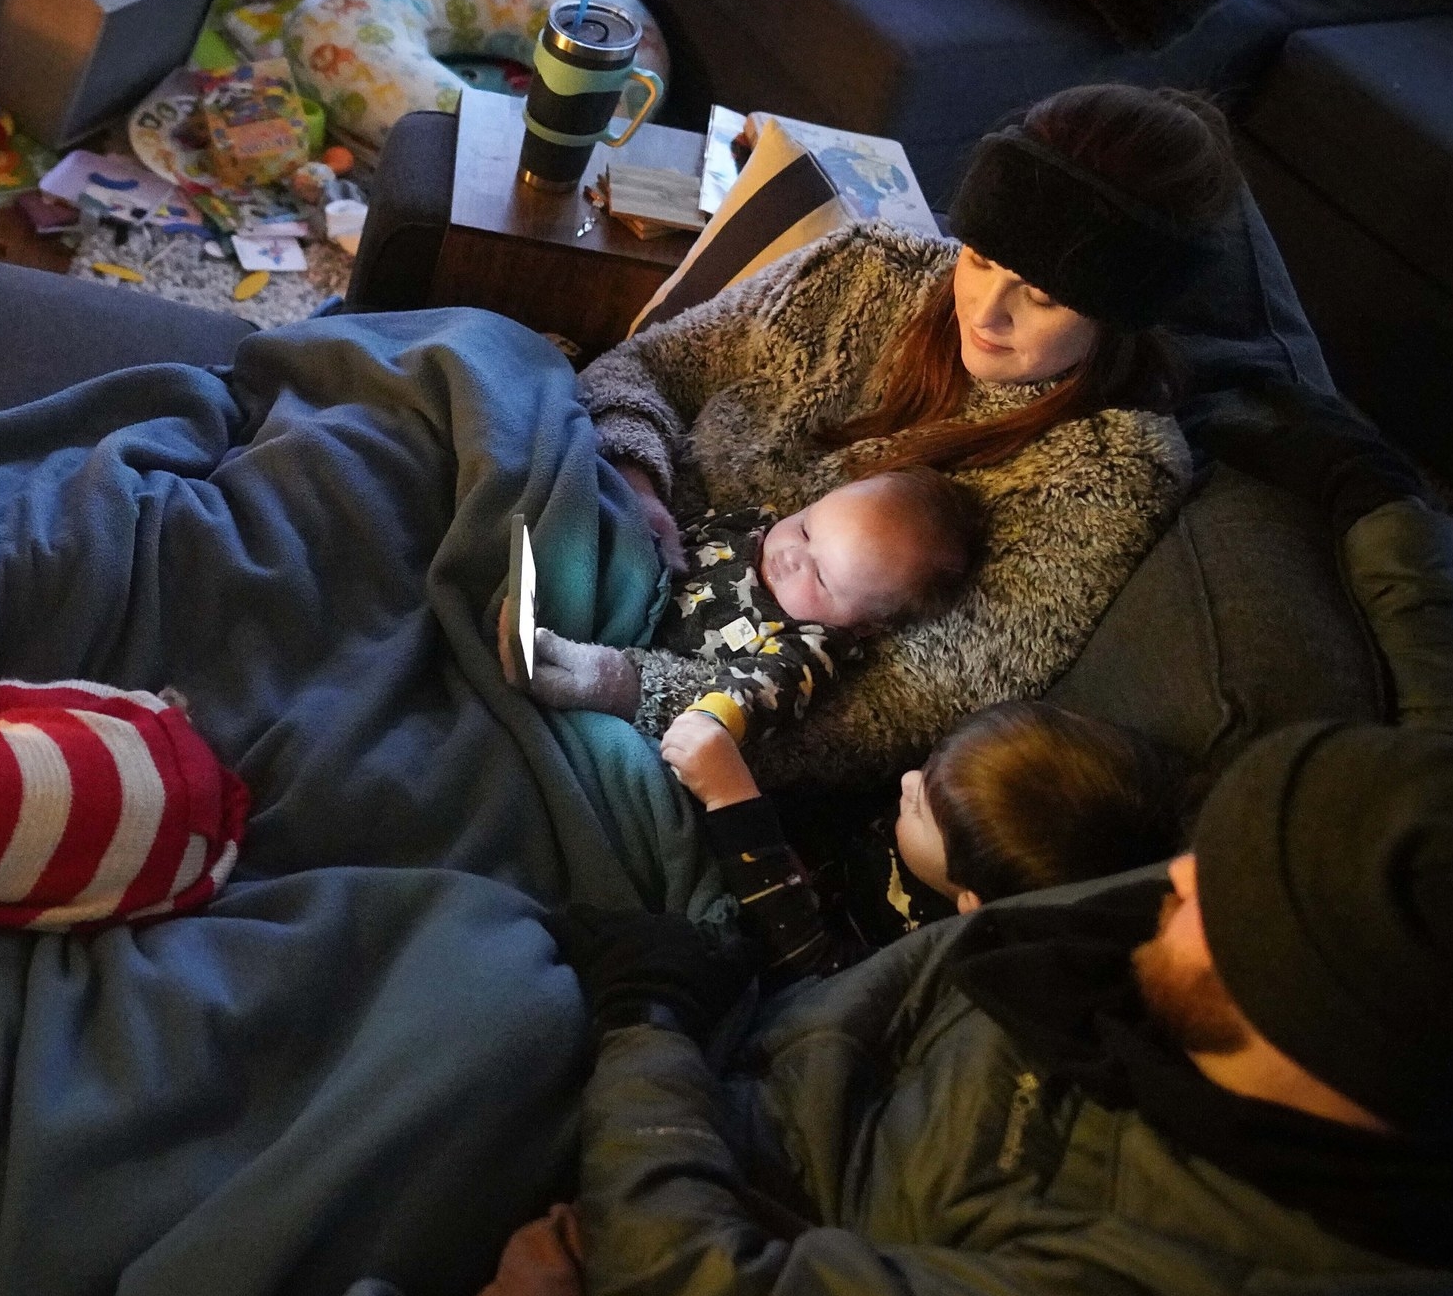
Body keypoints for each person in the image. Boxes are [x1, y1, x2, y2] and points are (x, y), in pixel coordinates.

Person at [557, 715, 1453, 1296]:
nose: (1176, 879)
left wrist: (651, 1020)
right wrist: (1379, 507)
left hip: (674, 1166)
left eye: (1215, 901)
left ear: (1314, 1028)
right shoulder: (1328, 942)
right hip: (733, 1014)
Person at [572, 83, 1245, 787]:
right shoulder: (868, 267)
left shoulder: (1106, 477)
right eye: (981, 257)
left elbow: (893, 712)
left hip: (684, 721)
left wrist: (620, 685)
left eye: (1043, 296)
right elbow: (644, 365)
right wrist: (635, 485)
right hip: (596, 519)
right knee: (470, 359)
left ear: (1119, 317)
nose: (986, 311)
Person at [665, 696, 1185, 984]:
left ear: (971, 904)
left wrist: (735, 800)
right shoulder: (954, 814)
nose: (906, 782)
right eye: (928, 765)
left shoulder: (921, 949)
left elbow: (811, 968)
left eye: (919, 809)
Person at [512, 465, 987, 748]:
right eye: (804, 527)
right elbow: (671, 524)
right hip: (608, 580)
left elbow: (741, 704)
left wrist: (618, 682)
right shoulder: (757, 525)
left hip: (621, 656)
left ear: (863, 626)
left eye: (821, 576)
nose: (789, 555)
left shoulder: (807, 647)